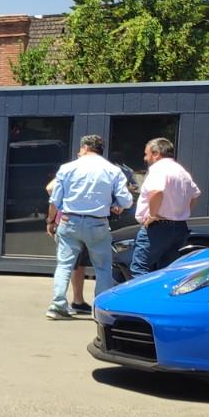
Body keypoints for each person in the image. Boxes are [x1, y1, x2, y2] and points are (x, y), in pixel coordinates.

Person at [45, 134, 131, 320]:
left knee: (64, 265)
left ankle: (57, 306)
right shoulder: (112, 170)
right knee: (102, 267)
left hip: (69, 221)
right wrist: (117, 205)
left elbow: (55, 199)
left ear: (84, 148)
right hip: (98, 222)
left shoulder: (68, 168)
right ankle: (101, 310)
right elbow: (126, 200)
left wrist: (51, 221)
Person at [130, 137, 202, 276]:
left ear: (156, 153)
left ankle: (142, 299)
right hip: (179, 227)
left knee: (140, 269)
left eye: (147, 154)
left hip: (157, 227)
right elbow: (196, 195)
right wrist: (181, 212)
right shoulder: (182, 171)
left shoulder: (158, 169)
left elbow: (157, 191)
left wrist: (152, 215)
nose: (145, 158)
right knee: (166, 273)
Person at [46, 174, 90, 314]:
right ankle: (59, 304)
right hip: (72, 222)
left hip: (71, 223)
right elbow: (50, 188)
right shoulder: (71, 171)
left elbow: (50, 188)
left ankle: (78, 301)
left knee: (78, 264)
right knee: (68, 264)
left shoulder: (73, 172)